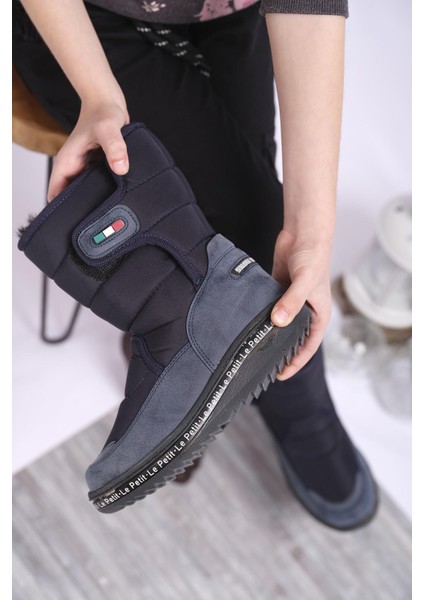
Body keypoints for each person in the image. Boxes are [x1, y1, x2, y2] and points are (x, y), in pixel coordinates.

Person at [13, 0, 378, 528]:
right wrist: (98, 93)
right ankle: (295, 413)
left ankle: (202, 376)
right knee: (258, 239)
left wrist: (312, 231)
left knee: (262, 225)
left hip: (229, 10)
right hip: (79, 19)